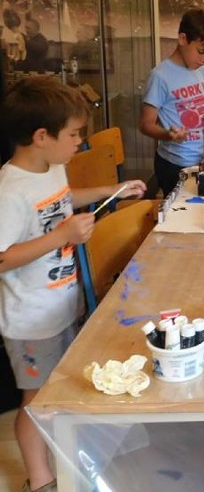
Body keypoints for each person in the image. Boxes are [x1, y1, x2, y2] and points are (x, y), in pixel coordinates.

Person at [0, 77, 145, 492]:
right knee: (35, 402)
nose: (81, 143)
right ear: (41, 136)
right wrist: (61, 237)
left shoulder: (52, 166)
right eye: (74, 134)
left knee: (60, 394)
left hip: (65, 304)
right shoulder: (9, 190)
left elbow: (64, 197)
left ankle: (71, 462)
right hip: (30, 322)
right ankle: (40, 479)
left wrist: (112, 189)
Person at [139, 9, 204, 196]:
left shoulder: (200, 70)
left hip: (202, 158)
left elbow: (198, 105)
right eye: (201, 52)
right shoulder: (160, 76)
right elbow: (145, 124)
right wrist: (168, 134)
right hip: (175, 164)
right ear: (183, 39)